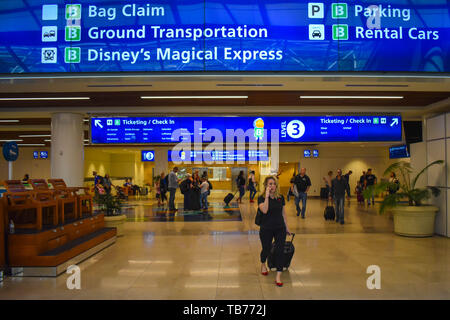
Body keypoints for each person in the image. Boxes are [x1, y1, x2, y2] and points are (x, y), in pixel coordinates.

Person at [258, 176, 291, 287]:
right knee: (266, 249)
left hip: (279, 228)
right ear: (265, 186)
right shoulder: (261, 198)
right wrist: (267, 197)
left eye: (273, 184)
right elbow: (265, 210)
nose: (272, 186)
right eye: (269, 184)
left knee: (279, 250)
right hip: (266, 228)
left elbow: (283, 213)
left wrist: (287, 227)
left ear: (276, 186)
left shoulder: (280, 198)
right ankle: (263, 263)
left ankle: (278, 275)